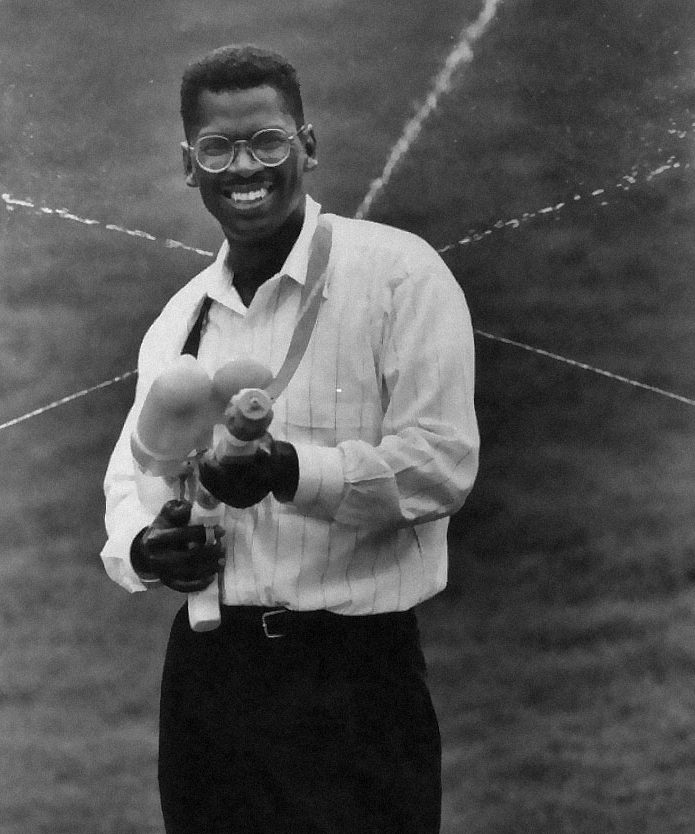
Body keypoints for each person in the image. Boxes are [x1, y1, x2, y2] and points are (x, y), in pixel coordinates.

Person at [101, 43, 479, 834]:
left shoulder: (399, 276)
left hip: (354, 683)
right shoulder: (180, 321)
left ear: (307, 145)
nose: (246, 167)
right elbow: (133, 476)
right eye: (218, 148)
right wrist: (149, 548)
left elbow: (441, 465)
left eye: (267, 141)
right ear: (189, 165)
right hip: (210, 683)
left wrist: (286, 470)